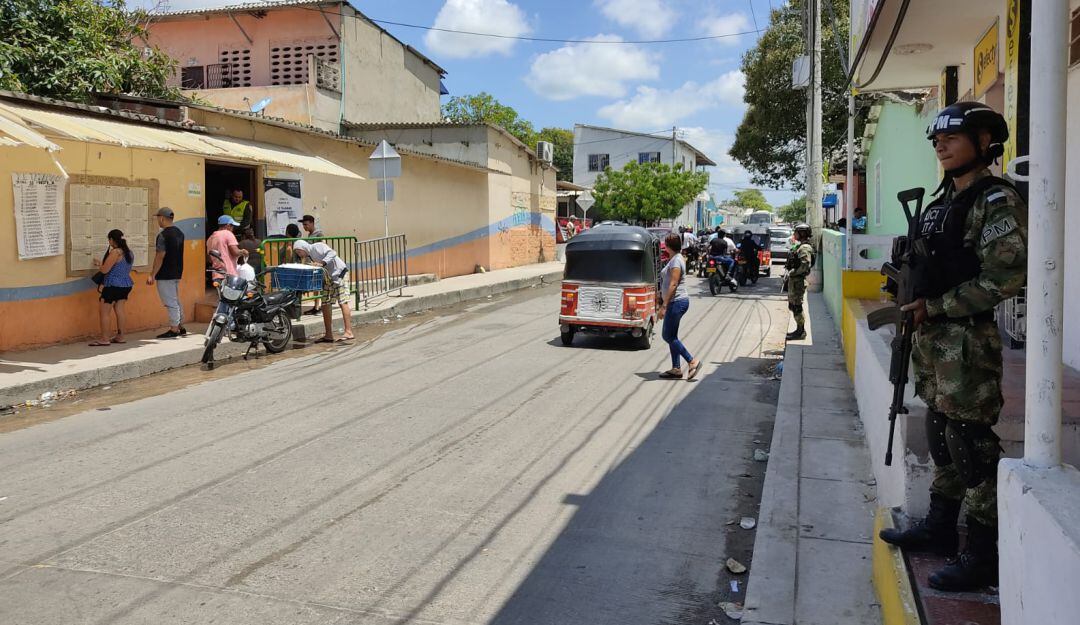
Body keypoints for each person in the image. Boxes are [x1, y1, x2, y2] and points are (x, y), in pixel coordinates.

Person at [878, 102, 1027, 592]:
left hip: (966, 343)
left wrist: (936, 306)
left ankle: (982, 554)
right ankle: (940, 528)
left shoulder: (995, 200)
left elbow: (1006, 276)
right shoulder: (943, 200)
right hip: (932, 342)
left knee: (972, 446)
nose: (940, 146)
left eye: (952, 138)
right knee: (942, 433)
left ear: (984, 142)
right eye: (936, 140)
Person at [292, 239, 355, 343]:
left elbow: (332, 253)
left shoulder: (317, 246)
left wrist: (322, 263)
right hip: (328, 278)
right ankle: (328, 334)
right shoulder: (308, 257)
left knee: (343, 302)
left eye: (299, 252)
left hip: (340, 274)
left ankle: (348, 332)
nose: (299, 255)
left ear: (303, 248)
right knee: (325, 304)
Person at [657, 233, 700, 380]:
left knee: (667, 335)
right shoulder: (675, 258)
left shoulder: (676, 261)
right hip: (675, 302)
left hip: (676, 302)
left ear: (668, 246)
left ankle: (691, 361)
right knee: (672, 336)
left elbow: (673, 284)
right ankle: (676, 368)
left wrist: (664, 306)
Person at [88, 229, 134, 346]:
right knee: (120, 310)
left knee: (104, 312)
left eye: (109, 239)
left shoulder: (115, 252)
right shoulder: (129, 252)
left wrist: (99, 264)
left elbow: (105, 270)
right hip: (125, 284)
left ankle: (105, 339)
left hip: (112, 285)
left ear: (112, 240)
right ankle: (121, 336)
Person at [146, 207, 186, 338]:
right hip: (177, 271)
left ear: (162, 218)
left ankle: (174, 329)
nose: (158, 220)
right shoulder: (180, 233)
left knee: (170, 302)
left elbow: (160, 256)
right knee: (175, 299)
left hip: (165, 273)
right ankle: (180, 325)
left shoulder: (163, 235)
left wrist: (152, 274)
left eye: (158, 218)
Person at [784, 223, 814, 340]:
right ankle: (799, 329)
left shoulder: (805, 248)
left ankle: (801, 332)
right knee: (793, 305)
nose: (794, 234)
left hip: (798, 281)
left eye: (796, 232)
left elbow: (805, 265)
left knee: (797, 306)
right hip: (794, 281)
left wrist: (793, 272)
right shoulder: (800, 246)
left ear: (802, 233)